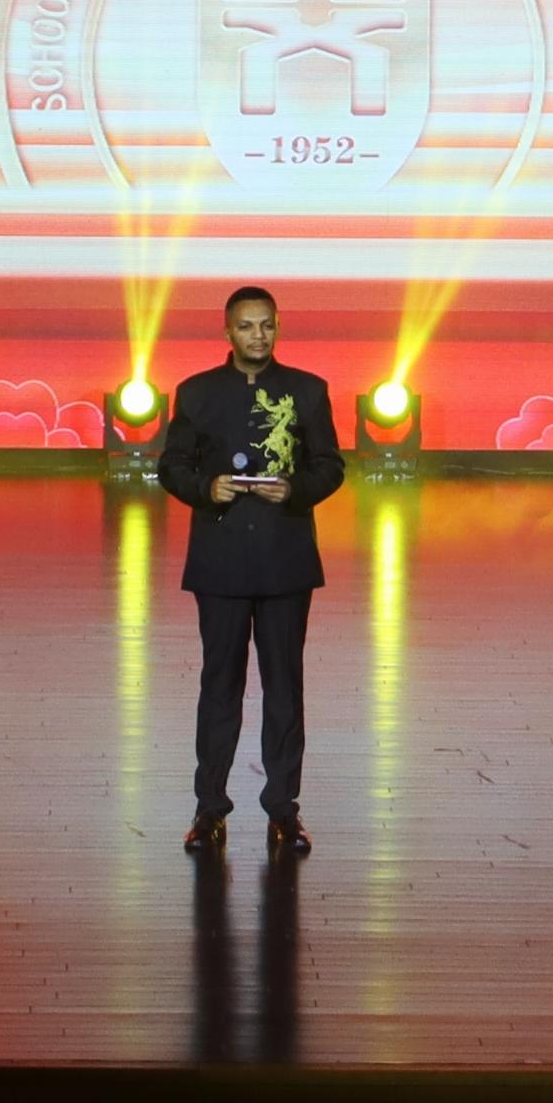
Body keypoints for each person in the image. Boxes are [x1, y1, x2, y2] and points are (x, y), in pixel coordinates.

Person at [153, 286, 343, 858]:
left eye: (266, 325)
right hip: (222, 561)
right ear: (227, 331)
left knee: (284, 688)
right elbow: (172, 466)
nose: (257, 335)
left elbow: (330, 465)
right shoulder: (197, 393)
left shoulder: (308, 391)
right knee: (220, 687)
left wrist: (296, 489)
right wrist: (205, 487)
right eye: (246, 326)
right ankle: (209, 809)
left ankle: (284, 811)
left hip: (285, 560)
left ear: (277, 327)